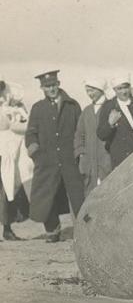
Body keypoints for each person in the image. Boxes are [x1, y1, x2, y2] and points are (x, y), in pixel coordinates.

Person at [25, 70, 84, 243]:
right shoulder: (38, 108)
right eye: (47, 86)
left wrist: (79, 151)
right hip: (46, 160)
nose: (51, 89)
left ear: (59, 84)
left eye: (54, 85)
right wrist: (34, 150)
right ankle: (52, 231)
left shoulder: (72, 106)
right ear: (42, 88)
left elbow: (80, 132)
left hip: (69, 159)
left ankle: (82, 230)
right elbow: (30, 133)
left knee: (77, 195)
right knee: (46, 195)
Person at [97, 76, 133, 169]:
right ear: (114, 90)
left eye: (125, 87)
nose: (124, 91)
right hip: (121, 158)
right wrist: (110, 124)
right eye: (119, 88)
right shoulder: (108, 106)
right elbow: (101, 135)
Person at [0, 75, 30, 240]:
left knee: (7, 187)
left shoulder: (13, 107)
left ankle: (7, 228)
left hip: (9, 151)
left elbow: (23, 124)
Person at [74, 78, 112, 197]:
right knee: (91, 195)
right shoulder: (86, 111)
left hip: (107, 160)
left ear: (100, 89)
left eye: (92, 90)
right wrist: (80, 153)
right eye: (87, 91)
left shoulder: (111, 106)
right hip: (89, 163)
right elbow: (79, 134)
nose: (90, 94)